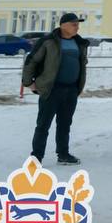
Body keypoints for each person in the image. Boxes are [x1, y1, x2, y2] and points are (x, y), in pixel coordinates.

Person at [23, 12, 88, 165]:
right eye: (74, 24)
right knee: (43, 125)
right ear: (63, 25)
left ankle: (63, 154)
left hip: (71, 90)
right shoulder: (48, 42)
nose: (77, 27)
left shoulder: (79, 43)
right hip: (51, 90)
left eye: (78, 25)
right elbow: (31, 61)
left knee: (65, 125)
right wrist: (28, 82)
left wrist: (78, 85)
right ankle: (36, 158)